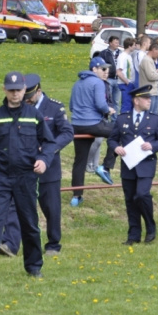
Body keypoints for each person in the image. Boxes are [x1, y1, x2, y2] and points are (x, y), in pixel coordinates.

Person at [0, 72, 55, 283]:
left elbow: (50, 143)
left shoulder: (34, 115)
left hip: (26, 177)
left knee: (29, 223)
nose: (15, 94)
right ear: (4, 90)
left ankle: (34, 266)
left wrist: (43, 159)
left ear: (24, 90)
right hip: (1, 177)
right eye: (11, 90)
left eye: (18, 90)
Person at [0, 74, 74, 257]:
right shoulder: (21, 109)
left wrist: (50, 149)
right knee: (16, 205)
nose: (27, 101)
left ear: (38, 91)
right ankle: (10, 244)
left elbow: (67, 132)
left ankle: (53, 244)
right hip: (24, 166)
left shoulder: (55, 108)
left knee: (51, 208)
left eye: (30, 97)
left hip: (48, 167)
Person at [108, 85, 158, 245]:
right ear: (136, 100)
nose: (150, 101)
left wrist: (153, 146)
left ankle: (150, 226)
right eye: (146, 98)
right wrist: (116, 147)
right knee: (130, 199)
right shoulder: (123, 119)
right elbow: (112, 139)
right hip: (128, 166)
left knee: (142, 194)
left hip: (146, 165)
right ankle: (133, 234)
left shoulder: (155, 119)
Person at [69, 57, 117, 206]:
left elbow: (71, 106)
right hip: (93, 124)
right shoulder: (98, 83)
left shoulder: (77, 84)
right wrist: (109, 110)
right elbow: (101, 105)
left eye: (107, 69)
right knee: (118, 132)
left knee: (80, 161)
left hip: (76, 125)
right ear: (93, 69)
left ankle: (76, 197)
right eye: (102, 69)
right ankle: (105, 167)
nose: (106, 72)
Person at [139, 42, 158, 116]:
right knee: (149, 114)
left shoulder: (150, 60)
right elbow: (151, 76)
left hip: (154, 90)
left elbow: (152, 73)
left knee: (154, 114)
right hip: (149, 91)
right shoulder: (147, 60)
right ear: (153, 49)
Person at [99, 36, 122, 117]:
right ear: (110, 43)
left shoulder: (120, 53)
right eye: (115, 42)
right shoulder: (104, 53)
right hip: (109, 79)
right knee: (108, 99)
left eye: (118, 42)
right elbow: (101, 66)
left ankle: (114, 119)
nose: (117, 44)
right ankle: (106, 116)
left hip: (118, 79)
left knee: (116, 101)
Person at [116, 37, 136, 114]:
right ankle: (123, 121)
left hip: (129, 83)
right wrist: (127, 82)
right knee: (126, 105)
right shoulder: (122, 56)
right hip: (125, 84)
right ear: (129, 46)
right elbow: (118, 72)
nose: (135, 47)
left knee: (130, 105)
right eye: (134, 45)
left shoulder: (129, 56)